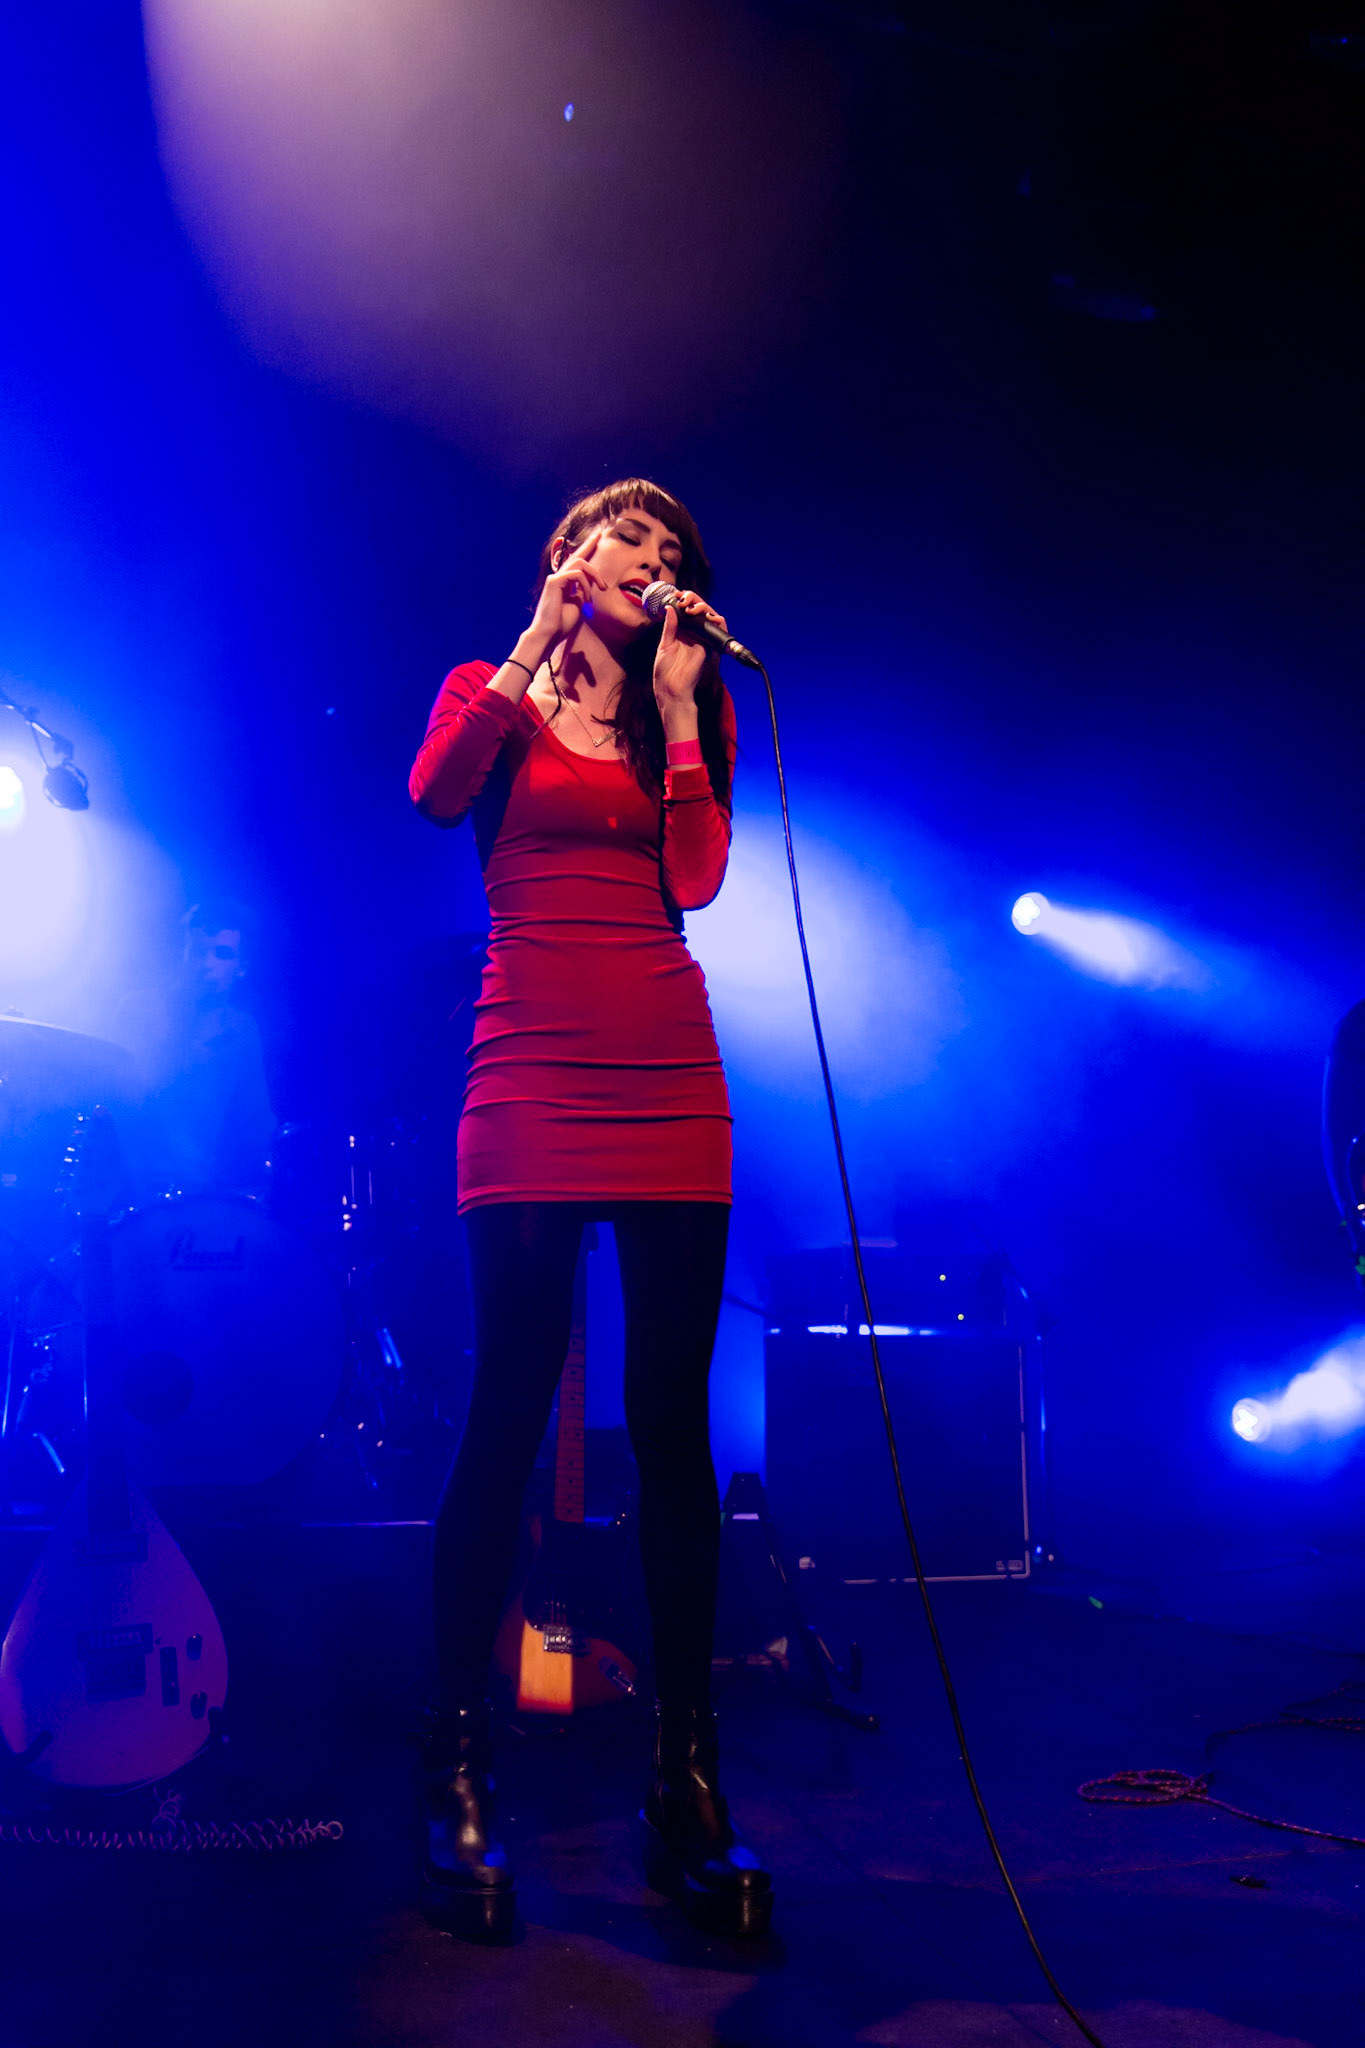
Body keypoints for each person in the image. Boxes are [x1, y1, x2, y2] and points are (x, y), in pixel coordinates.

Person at [408, 480, 771, 1941]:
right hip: (530, 1068)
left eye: (673, 553)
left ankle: (684, 1783)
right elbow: (437, 793)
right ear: (571, 559)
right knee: (505, 1411)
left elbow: (694, 877)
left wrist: (682, 715)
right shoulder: (485, 691)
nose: (656, 565)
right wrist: (528, 642)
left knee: (672, 1428)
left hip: (665, 1066)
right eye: (631, 544)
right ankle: (453, 1765)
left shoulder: (686, 711)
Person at [111, 901, 276, 1202]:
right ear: (184, 953)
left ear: (242, 968)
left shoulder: (240, 1030)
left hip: (198, 1197)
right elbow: (109, 1104)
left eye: (222, 954)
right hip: (125, 1195)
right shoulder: (139, 1010)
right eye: (199, 951)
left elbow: (256, 1126)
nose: (206, 963)